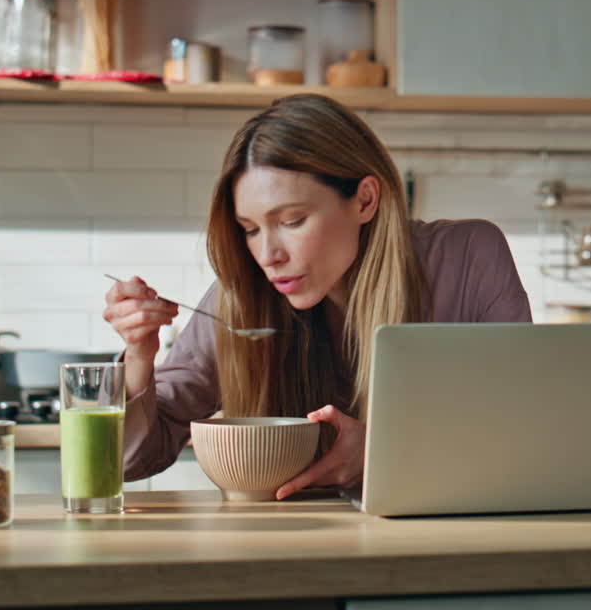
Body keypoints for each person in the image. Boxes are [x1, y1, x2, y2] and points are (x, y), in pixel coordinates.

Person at [104, 93, 531, 499]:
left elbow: (529, 435)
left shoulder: (469, 257)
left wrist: (387, 451)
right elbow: (127, 462)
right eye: (250, 229)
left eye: (291, 221)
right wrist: (139, 354)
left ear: (365, 200)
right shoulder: (242, 297)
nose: (268, 255)